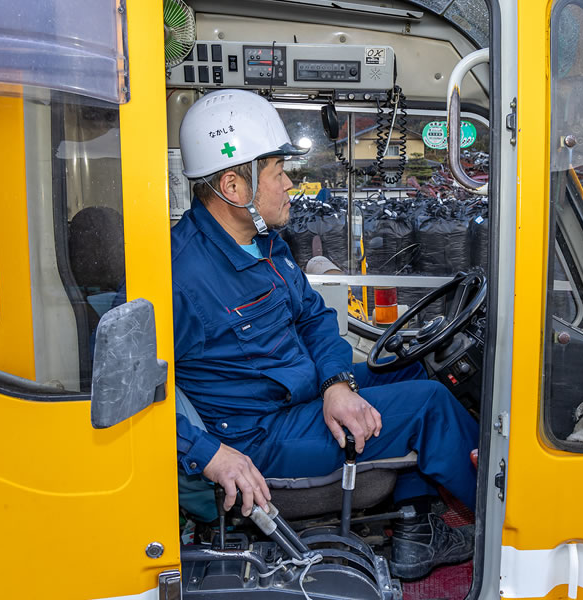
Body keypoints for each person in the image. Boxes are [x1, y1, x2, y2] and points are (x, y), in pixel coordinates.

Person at [172, 89, 479, 580]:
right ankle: (513, 519)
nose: (290, 185)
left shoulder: (262, 245)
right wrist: (208, 454)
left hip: (299, 394)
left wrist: (337, 382)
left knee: (415, 364)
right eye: (277, 173)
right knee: (428, 404)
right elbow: (134, 397)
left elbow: (314, 317)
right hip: (260, 434)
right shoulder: (180, 275)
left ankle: (417, 528)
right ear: (233, 186)